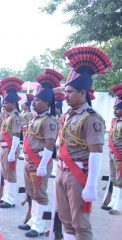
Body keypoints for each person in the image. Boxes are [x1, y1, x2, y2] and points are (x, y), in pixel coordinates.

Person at [56, 46, 112, 240]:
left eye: (69, 91)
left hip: (78, 176)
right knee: (66, 220)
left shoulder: (91, 118)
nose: (65, 95)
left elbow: (96, 153)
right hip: (62, 173)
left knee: (81, 224)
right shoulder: (67, 116)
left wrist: (91, 185)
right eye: (65, 91)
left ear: (83, 93)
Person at [19, 69, 62, 238]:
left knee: (40, 194)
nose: (33, 103)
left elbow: (50, 144)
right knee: (31, 191)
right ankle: (32, 220)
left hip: (39, 162)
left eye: (37, 100)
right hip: (29, 160)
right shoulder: (34, 118)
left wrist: (43, 164)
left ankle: (38, 225)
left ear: (45, 103)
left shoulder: (49, 121)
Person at [0, 77, 24, 208]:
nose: (4, 105)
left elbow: (17, 135)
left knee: (10, 174)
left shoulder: (16, 117)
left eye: (6, 103)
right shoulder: (8, 116)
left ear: (12, 103)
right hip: (3, 148)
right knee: (5, 173)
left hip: (10, 148)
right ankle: (6, 196)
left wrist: (13, 152)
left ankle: (11, 199)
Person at [103, 83, 122, 215]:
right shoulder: (115, 122)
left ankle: (119, 204)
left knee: (120, 180)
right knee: (114, 178)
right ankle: (113, 201)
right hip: (113, 154)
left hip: (120, 155)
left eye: (117, 108)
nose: (114, 110)